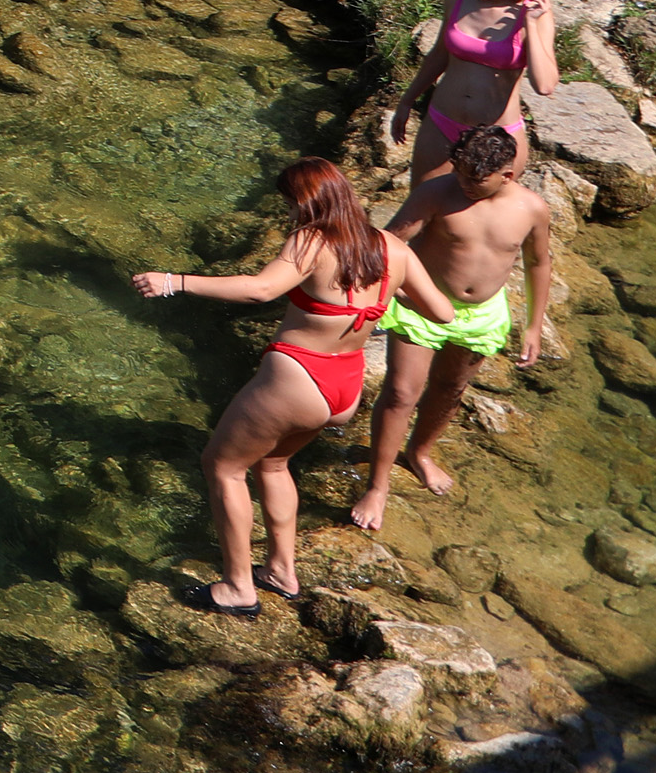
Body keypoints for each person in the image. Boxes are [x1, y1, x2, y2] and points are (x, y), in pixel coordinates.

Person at [129, 158, 458, 616]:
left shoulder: (312, 240)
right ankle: (282, 571)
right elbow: (443, 313)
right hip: (346, 384)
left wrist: (174, 282)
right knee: (274, 463)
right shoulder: (391, 249)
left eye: (289, 203)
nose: (288, 213)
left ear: (303, 202)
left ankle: (238, 587)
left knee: (222, 466)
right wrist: (389, 292)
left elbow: (260, 290)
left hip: (299, 378)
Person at [350, 120, 557, 530]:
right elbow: (391, 243)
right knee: (400, 392)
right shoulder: (435, 193)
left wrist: (534, 325)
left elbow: (539, 262)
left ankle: (420, 452)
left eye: (475, 181)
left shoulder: (531, 209)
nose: (463, 185)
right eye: (459, 174)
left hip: (481, 315)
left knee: (451, 388)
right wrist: (394, 294)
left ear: (507, 175)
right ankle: (377, 485)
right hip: (421, 305)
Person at [392, 0, 559, 182]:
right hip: (442, 122)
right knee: (423, 212)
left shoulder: (533, 13)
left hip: (498, 137)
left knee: (487, 218)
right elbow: (439, 54)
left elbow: (545, 85)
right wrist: (406, 102)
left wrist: (531, 26)